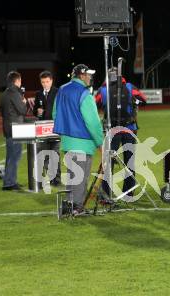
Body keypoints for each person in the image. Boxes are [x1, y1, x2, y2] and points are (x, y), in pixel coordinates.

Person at [53, 64, 103, 215]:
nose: (90, 77)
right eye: (88, 75)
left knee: (72, 177)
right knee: (80, 178)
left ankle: (70, 206)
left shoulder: (62, 90)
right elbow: (93, 122)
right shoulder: (84, 93)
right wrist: (100, 143)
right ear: (82, 75)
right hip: (83, 142)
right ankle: (76, 208)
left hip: (67, 142)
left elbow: (55, 114)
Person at [95, 67, 147, 201]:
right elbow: (143, 99)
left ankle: (105, 193)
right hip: (129, 129)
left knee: (108, 162)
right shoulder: (129, 87)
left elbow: (95, 104)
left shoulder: (103, 90)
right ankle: (128, 193)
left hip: (112, 130)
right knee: (129, 162)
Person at [33, 70, 61, 186]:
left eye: (47, 82)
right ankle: (48, 177)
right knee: (44, 154)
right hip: (42, 129)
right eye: (43, 82)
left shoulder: (58, 92)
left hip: (55, 128)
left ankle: (56, 179)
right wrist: (37, 112)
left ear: (51, 81)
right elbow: (35, 110)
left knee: (55, 154)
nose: (45, 84)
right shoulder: (38, 94)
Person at [0, 71, 27, 191]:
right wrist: (24, 102)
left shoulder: (5, 93)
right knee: (14, 156)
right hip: (15, 128)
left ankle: (9, 181)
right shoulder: (14, 92)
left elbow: (2, 112)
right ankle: (9, 183)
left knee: (10, 156)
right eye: (20, 80)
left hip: (7, 127)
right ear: (17, 81)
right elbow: (22, 110)